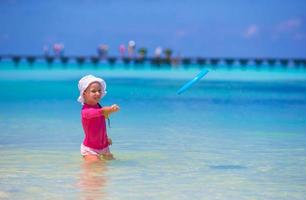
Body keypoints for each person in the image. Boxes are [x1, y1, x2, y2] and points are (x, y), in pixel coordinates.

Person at [77, 75, 120, 162]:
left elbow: (100, 126)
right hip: (90, 149)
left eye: (99, 91)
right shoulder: (86, 111)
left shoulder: (97, 106)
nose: (98, 93)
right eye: (93, 91)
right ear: (84, 94)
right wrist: (111, 109)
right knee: (95, 166)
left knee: (112, 162)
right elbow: (101, 112)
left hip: (104, 146)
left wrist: (106, 138)